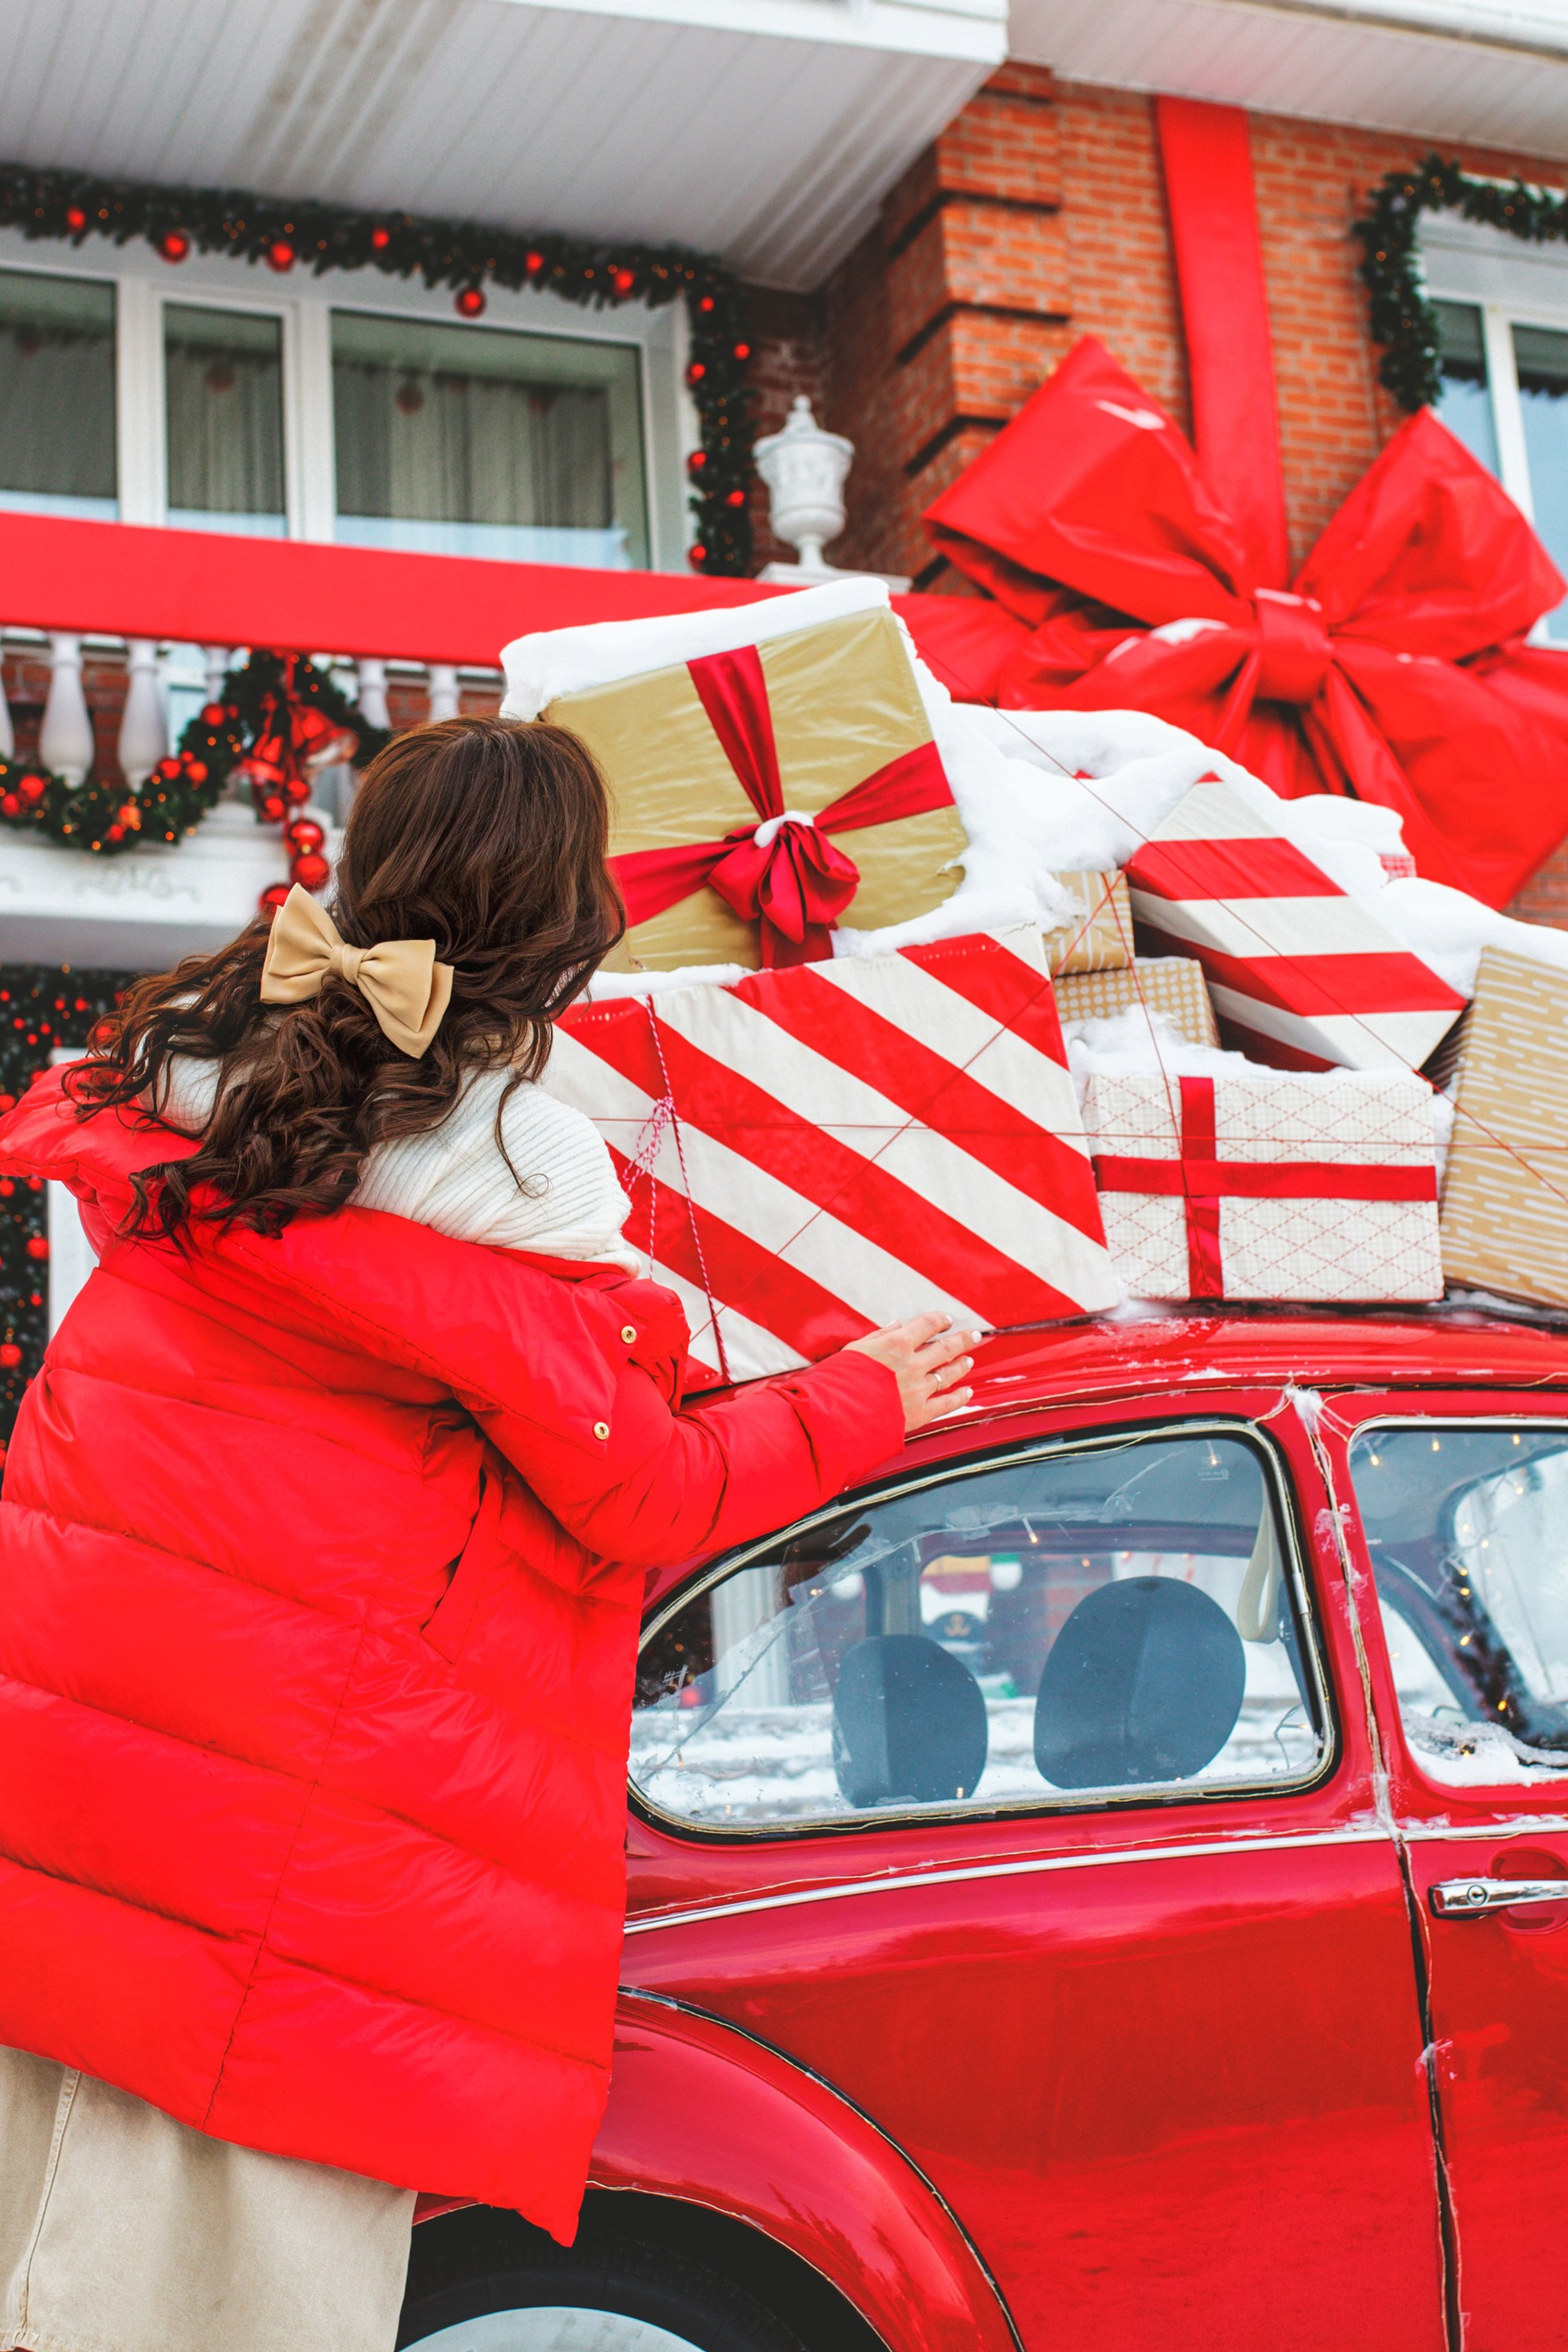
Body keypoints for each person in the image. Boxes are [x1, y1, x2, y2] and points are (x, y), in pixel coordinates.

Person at [0, 715, 976, 2352]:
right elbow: (642, 1490)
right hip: (291, 1884)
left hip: (66, 1801)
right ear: (562, 926)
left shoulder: (196, 1113)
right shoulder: (520, 1170)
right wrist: (856, 1399)